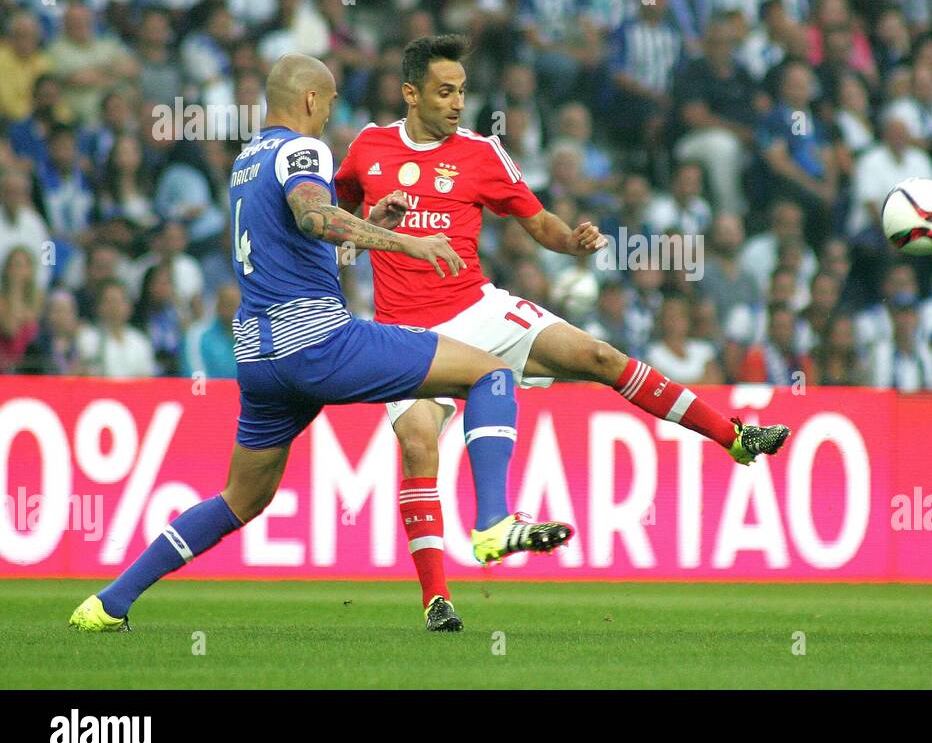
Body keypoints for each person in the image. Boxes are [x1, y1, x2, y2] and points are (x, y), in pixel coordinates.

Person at [70, 54, 572, 637]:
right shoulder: (301, 151)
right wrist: (406, 243)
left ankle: (107, 603)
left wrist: (366, 221)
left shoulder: (245, 162)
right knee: (491, 376)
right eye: (330, 103)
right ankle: (491, 522)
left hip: (258, 357)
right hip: (317, 341)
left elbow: (304, 247)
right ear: (311, 100)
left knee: (240, 498)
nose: (331, 115)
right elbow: (313, 218)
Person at [334, 35, 792, 616]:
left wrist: (572, 242)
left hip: (477, 308)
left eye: (462, 92)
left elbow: (538, 220)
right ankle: (437, 599)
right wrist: (372, 222)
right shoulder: (368, 149)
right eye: (445, 92)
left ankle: (734, 437)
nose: (456, 104)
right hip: (403, 331)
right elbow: (335, 222)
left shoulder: (480, 152)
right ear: (409, 93)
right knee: (419, 447)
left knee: (599, 357)